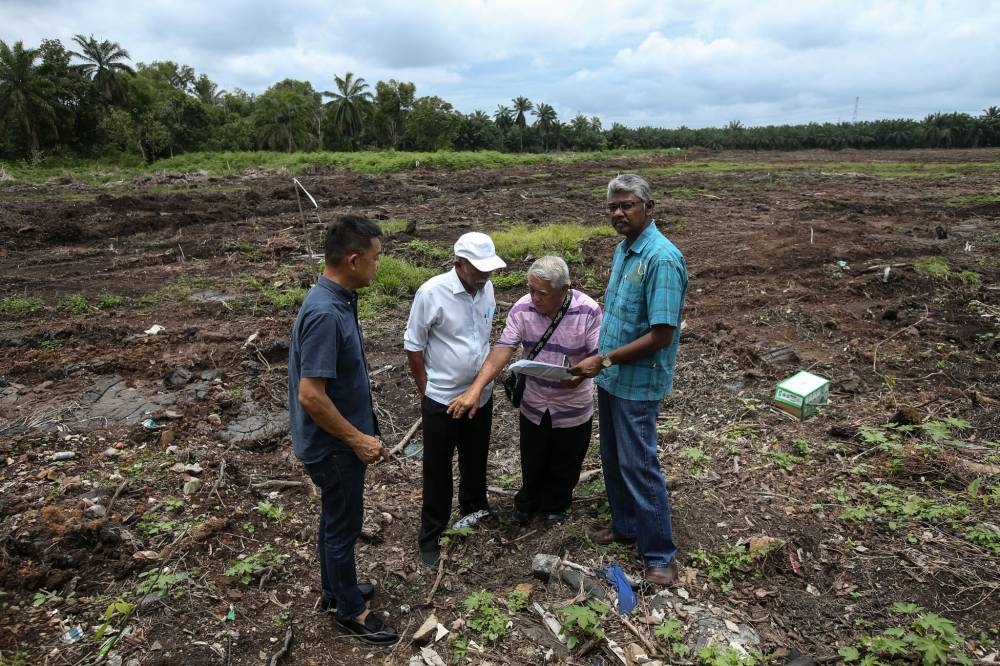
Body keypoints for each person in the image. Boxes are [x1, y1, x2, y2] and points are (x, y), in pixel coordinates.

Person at [569, 174, 688, 587]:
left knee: (639, 463)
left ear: (648, 208)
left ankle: (660, 556)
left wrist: (602, 360)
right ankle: (626, 527)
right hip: (613, 376)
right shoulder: (626, 250)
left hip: (636, 381)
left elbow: (661, 335)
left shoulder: (662, 259)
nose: (618, 213)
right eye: (613, 207)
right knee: (614, 456)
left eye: (627, 205)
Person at [288, 215, 399, 646]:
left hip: (336, 443)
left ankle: (337, 590)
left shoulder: (337, 300)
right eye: (374, 259)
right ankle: (350, 611)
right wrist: (357, 438)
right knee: (343, 525)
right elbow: (311, 395)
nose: (377, 266)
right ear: (352, 260)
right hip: (333, 448)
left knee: (335, 521)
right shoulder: (324, 313)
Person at [447, 256, 602, 528]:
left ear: (564, 289)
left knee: (567, 459)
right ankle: (527, 503)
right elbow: (504, 348)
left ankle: (556, 506)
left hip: (573, 403)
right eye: (531, 289)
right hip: (535, 402)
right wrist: (477, 386)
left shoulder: (588, 311)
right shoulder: (522, 308)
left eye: (542, 293)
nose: (534, 297)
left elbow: (597, 355)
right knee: (533, 457)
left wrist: (579, 376)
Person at [403, 232, 506, 568]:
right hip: (442, 399)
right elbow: (414, 346)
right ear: (459, 264)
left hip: (481, 394)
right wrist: (426, 389)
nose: (485, 276)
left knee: (475, 458)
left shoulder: (486, 287)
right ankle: (431, 534)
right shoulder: (432, 292)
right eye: (478, 270)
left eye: (489, 270)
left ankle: (475, 509)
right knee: (437, 468)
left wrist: (479, 386)